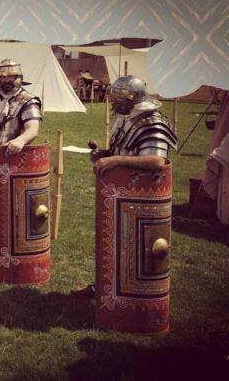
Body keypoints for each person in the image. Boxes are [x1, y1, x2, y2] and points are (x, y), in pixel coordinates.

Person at [73, 75, 178, 297]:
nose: (112, 102)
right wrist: (105, 154)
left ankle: (133, 295)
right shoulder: (126, 118)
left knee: (135, 248)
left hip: (141, 199)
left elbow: (156, 161)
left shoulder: (153, 123)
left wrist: (115, 161)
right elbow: (123, 151)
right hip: (119, 194)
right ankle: (104, 286)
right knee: (111, 242)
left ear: (131, 98)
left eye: (117, 97)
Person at [0, 59, 42, 253]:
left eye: (10, 76)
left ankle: (18, 244)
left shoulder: (28, 100)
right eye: (2, 76)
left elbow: (33, 129)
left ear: (19, 77)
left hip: (15, 159)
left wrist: (20, 141)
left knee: (16, 203)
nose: (5, 80)